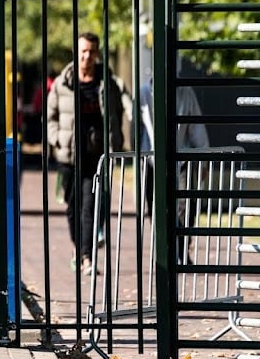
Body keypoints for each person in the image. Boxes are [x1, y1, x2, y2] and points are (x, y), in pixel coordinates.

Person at [46, 32, 127, 276]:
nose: (87, 56)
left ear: (97, 53)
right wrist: (56, 139)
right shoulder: (63, 83)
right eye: (83, 51)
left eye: (91, 51)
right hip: (69, 156)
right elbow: (50, 117)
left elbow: (118, 111)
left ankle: (86, 257)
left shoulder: (107, 82)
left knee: (90, 208)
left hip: (96, 155)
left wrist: (115, 140)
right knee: (72, 209)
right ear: (76, 52)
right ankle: (79, 249)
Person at [140, 71, 209, 261]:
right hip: (153, 162)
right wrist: (139, 158)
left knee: (185, 206)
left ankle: (181, 250)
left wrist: (203, 156)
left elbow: (196, 125)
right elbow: (136, 130)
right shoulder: (144, 93)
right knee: (157, 208)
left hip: (182, 159)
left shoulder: (186, 93)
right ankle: (165, 251)